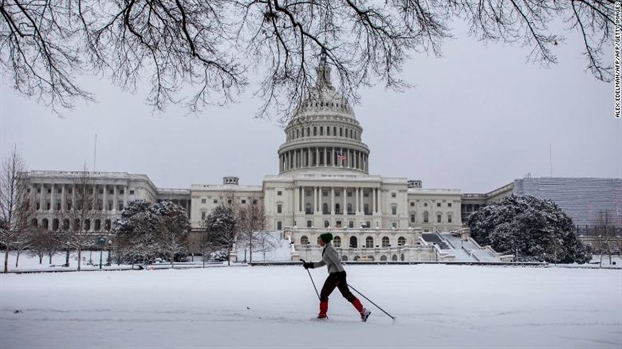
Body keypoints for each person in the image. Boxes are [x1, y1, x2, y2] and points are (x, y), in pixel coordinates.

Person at [303, 232, 371, 322]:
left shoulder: (329, 249)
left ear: (324, 240)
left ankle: (322, 315)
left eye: (320, 240)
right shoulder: (327, 248)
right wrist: (310, 265)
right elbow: (323, 262)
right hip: (338, 274)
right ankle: (363, 311)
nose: (319, 241)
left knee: (324, 294)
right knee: (347, 294)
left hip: (336, 274)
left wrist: (341, 274)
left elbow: (336, 262)